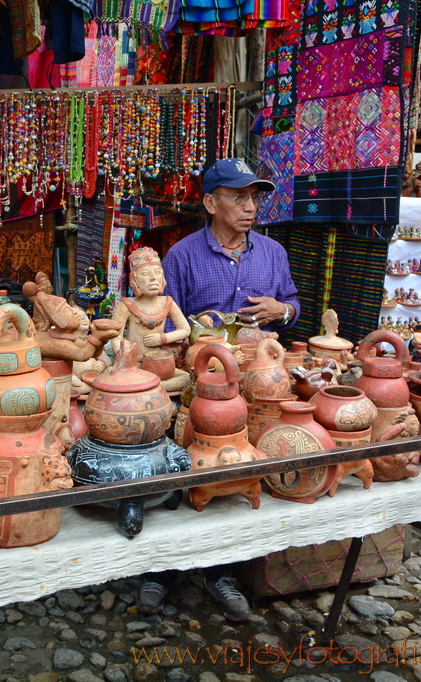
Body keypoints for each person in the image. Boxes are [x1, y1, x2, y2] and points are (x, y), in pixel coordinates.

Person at [138, 158, 302, 621]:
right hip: (201, 387)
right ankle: (161, 571)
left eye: (255, 197)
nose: (250, 207)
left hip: (258, 385)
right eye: (238, 196)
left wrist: (280, 311)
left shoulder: (272, 254)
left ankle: (222, 571)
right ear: (211, 202)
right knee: (182, 468)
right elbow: (164, 325)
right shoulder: (183, 256)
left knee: (239, 476)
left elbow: (294, 305)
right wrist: (196, 333)